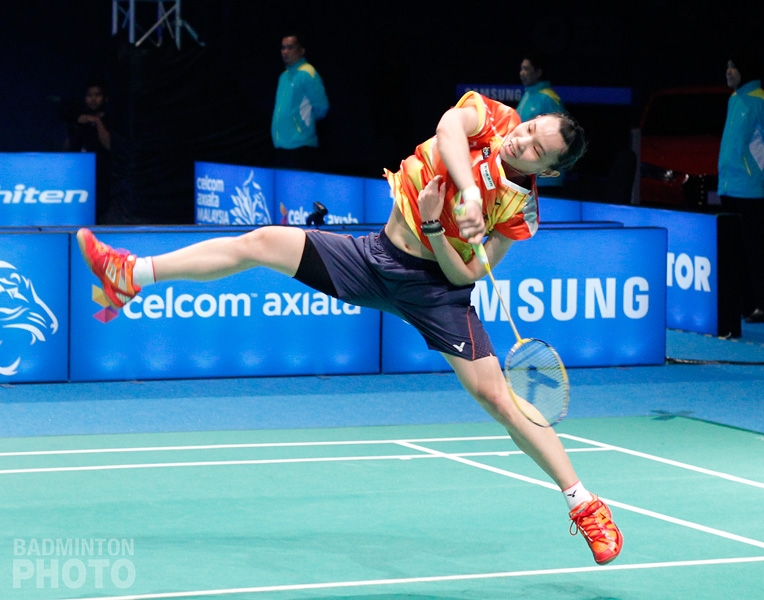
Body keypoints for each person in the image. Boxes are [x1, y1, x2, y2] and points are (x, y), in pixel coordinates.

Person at [76, 90, 623, 565]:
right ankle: (130, 275)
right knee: (261, 243)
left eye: (536, 150)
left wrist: (435, 227)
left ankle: (584, 504)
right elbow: (449, 127)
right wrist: (469, 191)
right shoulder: (494, 117)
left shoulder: (521, 211)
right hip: (373, 256)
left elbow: (467, 273)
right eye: (530, 129)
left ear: (549, 170)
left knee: (496, 396)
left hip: (434, 289)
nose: (521, 141)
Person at [718, 47, 764, 323]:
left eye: (733, 66)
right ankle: (745, 304)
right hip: (729, 187)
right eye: (727, 65)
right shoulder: (734, 99)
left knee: (753, 250)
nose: (728, 71)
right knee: (734, 251)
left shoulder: (759, 100)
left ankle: (758, 303)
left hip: (752, 190)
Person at [271, 32, 330, 172]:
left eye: (290, 47)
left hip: (301, 147)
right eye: (283, 47)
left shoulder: (307, 73)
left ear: (301, 50)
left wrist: (301, 126)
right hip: (281, 146)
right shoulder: (283, 76)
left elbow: (322, 108)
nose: (285, 52)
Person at [63, 80, 113, 224]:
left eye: (97, 95)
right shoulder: (79, 120)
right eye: (89, 95)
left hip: (101, 174)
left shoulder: (109, 119)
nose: (93, 99)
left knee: (100, 211)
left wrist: (97, 122)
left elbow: (109, 145)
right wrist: (76, 126)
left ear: (104, 98)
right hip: (79, 174)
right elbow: (66, 148)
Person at [517, 52, 567, 190]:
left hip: (547, 182)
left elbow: (562, 140)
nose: (522, 73)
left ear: (538, 72)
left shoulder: (549, 99)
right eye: (521, 69)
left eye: (526, 69)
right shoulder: (527, 95)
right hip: (528, 176)